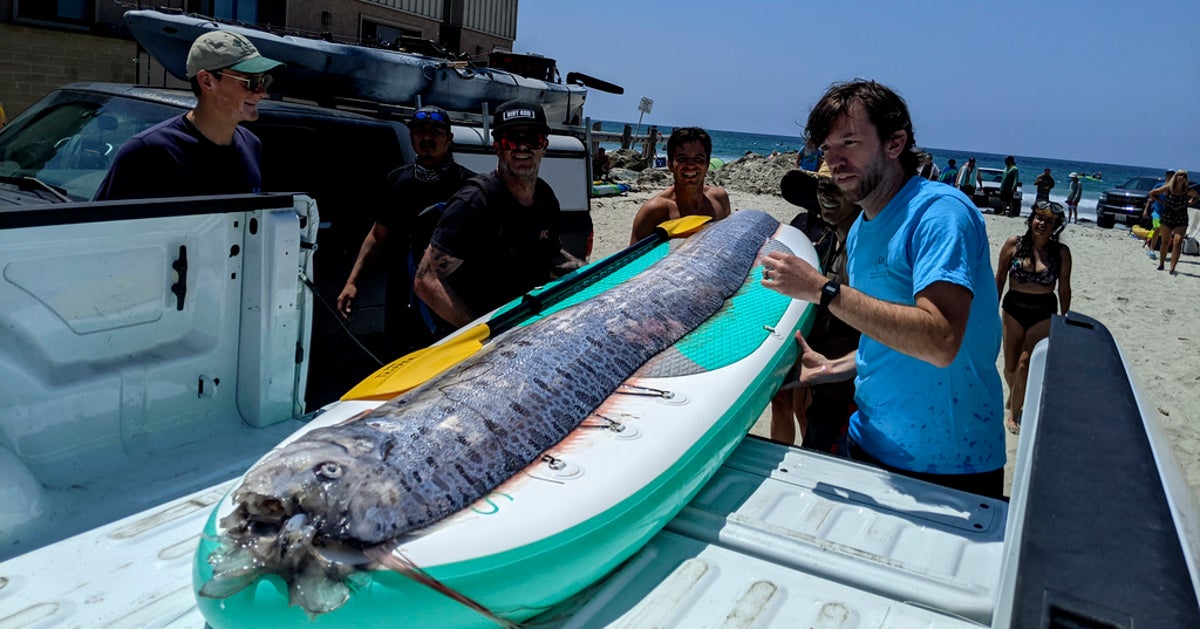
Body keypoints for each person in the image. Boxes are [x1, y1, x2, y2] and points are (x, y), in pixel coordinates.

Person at [760, 80, 1004, 498]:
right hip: (867, 441)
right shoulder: (861, 230)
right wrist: (836, 367)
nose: (834, 161)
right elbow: (888, 336)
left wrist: (823, 290)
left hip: (950, 463)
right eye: (827, 148)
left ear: (895, 143)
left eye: (850, 142)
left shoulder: (939, 214)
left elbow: (940, 340)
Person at [414, 100, 583, 327]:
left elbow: (552, 255)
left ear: (544, 146)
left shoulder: (545, 197)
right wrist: (480, 331)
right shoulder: (474, 202)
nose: (522, 148)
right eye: (511, 140)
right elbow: (426, 280)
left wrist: (595, 275)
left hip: (525, 321)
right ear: (497, 146)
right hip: (482, 331)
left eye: (532, 140)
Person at [336, 106, 475, 355]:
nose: (427, 137)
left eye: (435, 131)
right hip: (402, 295)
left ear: (449, 139)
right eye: (420, 132)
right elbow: (377, 236)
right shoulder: (397, 181)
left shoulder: (469, 186)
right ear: (411, 138)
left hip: (451, 292)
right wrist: (352, 282)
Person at [94, 31, 283, 200]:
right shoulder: (148, 152)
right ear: (207, 81)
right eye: (251, 81)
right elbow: (101, 225)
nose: (262, 92)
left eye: (264, 81)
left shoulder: (251, 144)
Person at [770, 162, 862, 452]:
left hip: (843, 364)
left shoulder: (863, 242)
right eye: (823, 186)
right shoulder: (805, 226)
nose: (828, 195)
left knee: (813, 420)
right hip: (804, 341)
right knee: (786, 405)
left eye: (838, 187)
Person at [995, 200, 1072, 435]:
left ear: (1056, 226)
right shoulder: (1013, 244)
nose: (1042, 224)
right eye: (1039, 218)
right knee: (1010, 366)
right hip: (1013, 308)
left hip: (1043, 311)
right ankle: (1015, 395)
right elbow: (1000, 279)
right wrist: (991, 308)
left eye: (1049, 221)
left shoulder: (1061, 253)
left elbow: (1064, 288)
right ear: (1031, 220)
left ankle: (1014, 414)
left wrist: (1065, 318)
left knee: (1024, 364)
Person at [628, 127, 731, 243]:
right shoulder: (654, 211)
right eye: (682, 159)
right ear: (670, 165)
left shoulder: (719, 199)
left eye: (698, 159)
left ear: (707, 164)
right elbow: (634, 254)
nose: (690, 165)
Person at [1147, 170, 1200, 275]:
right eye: (1179, 175)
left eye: (1184, 176)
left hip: (1181, 218)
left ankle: (1172, 267)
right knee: (1165, 242)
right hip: (1168, 216)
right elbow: (1152, 193)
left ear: (1185, 179)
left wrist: (1189, 203)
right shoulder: (1168, 188)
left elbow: (1197, 197)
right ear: (1176, 177)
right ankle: (1161, 264)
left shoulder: (1187, 190)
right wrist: (1162, 202)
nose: (1181, 177)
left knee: (1178, 241)